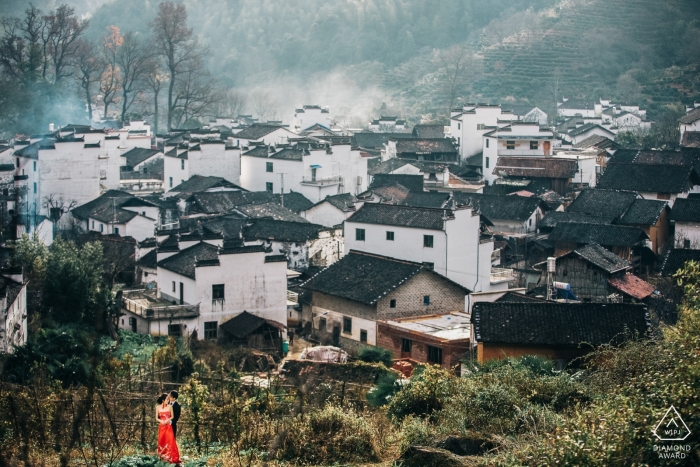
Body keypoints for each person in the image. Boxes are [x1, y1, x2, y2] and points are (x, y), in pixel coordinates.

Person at [156, 393, 180, 464]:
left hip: (168, 426)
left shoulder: (170, 407)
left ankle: (170, 456)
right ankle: (162, 457)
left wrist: (167, 420)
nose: (168, 400)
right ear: (163, 400)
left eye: (169, 399)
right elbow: (156, 418)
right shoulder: (158, 407)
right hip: (161, 426)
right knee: (162, 440)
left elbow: (172, 416)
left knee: (170, 441)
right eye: (167, 399)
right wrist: (161, 421)